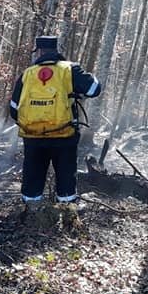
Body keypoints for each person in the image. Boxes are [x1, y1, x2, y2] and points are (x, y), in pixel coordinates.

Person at [9, 36, 101, 206]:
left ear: (39, 52)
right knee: (66, 177)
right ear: (57, 50)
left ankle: (31, 214)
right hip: (64, 135)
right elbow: (94, 89)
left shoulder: (27, 74)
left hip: (33, 137)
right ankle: (66, 214)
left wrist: (34, 124)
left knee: (32, 177)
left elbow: (14, 109)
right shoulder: (69, 69)